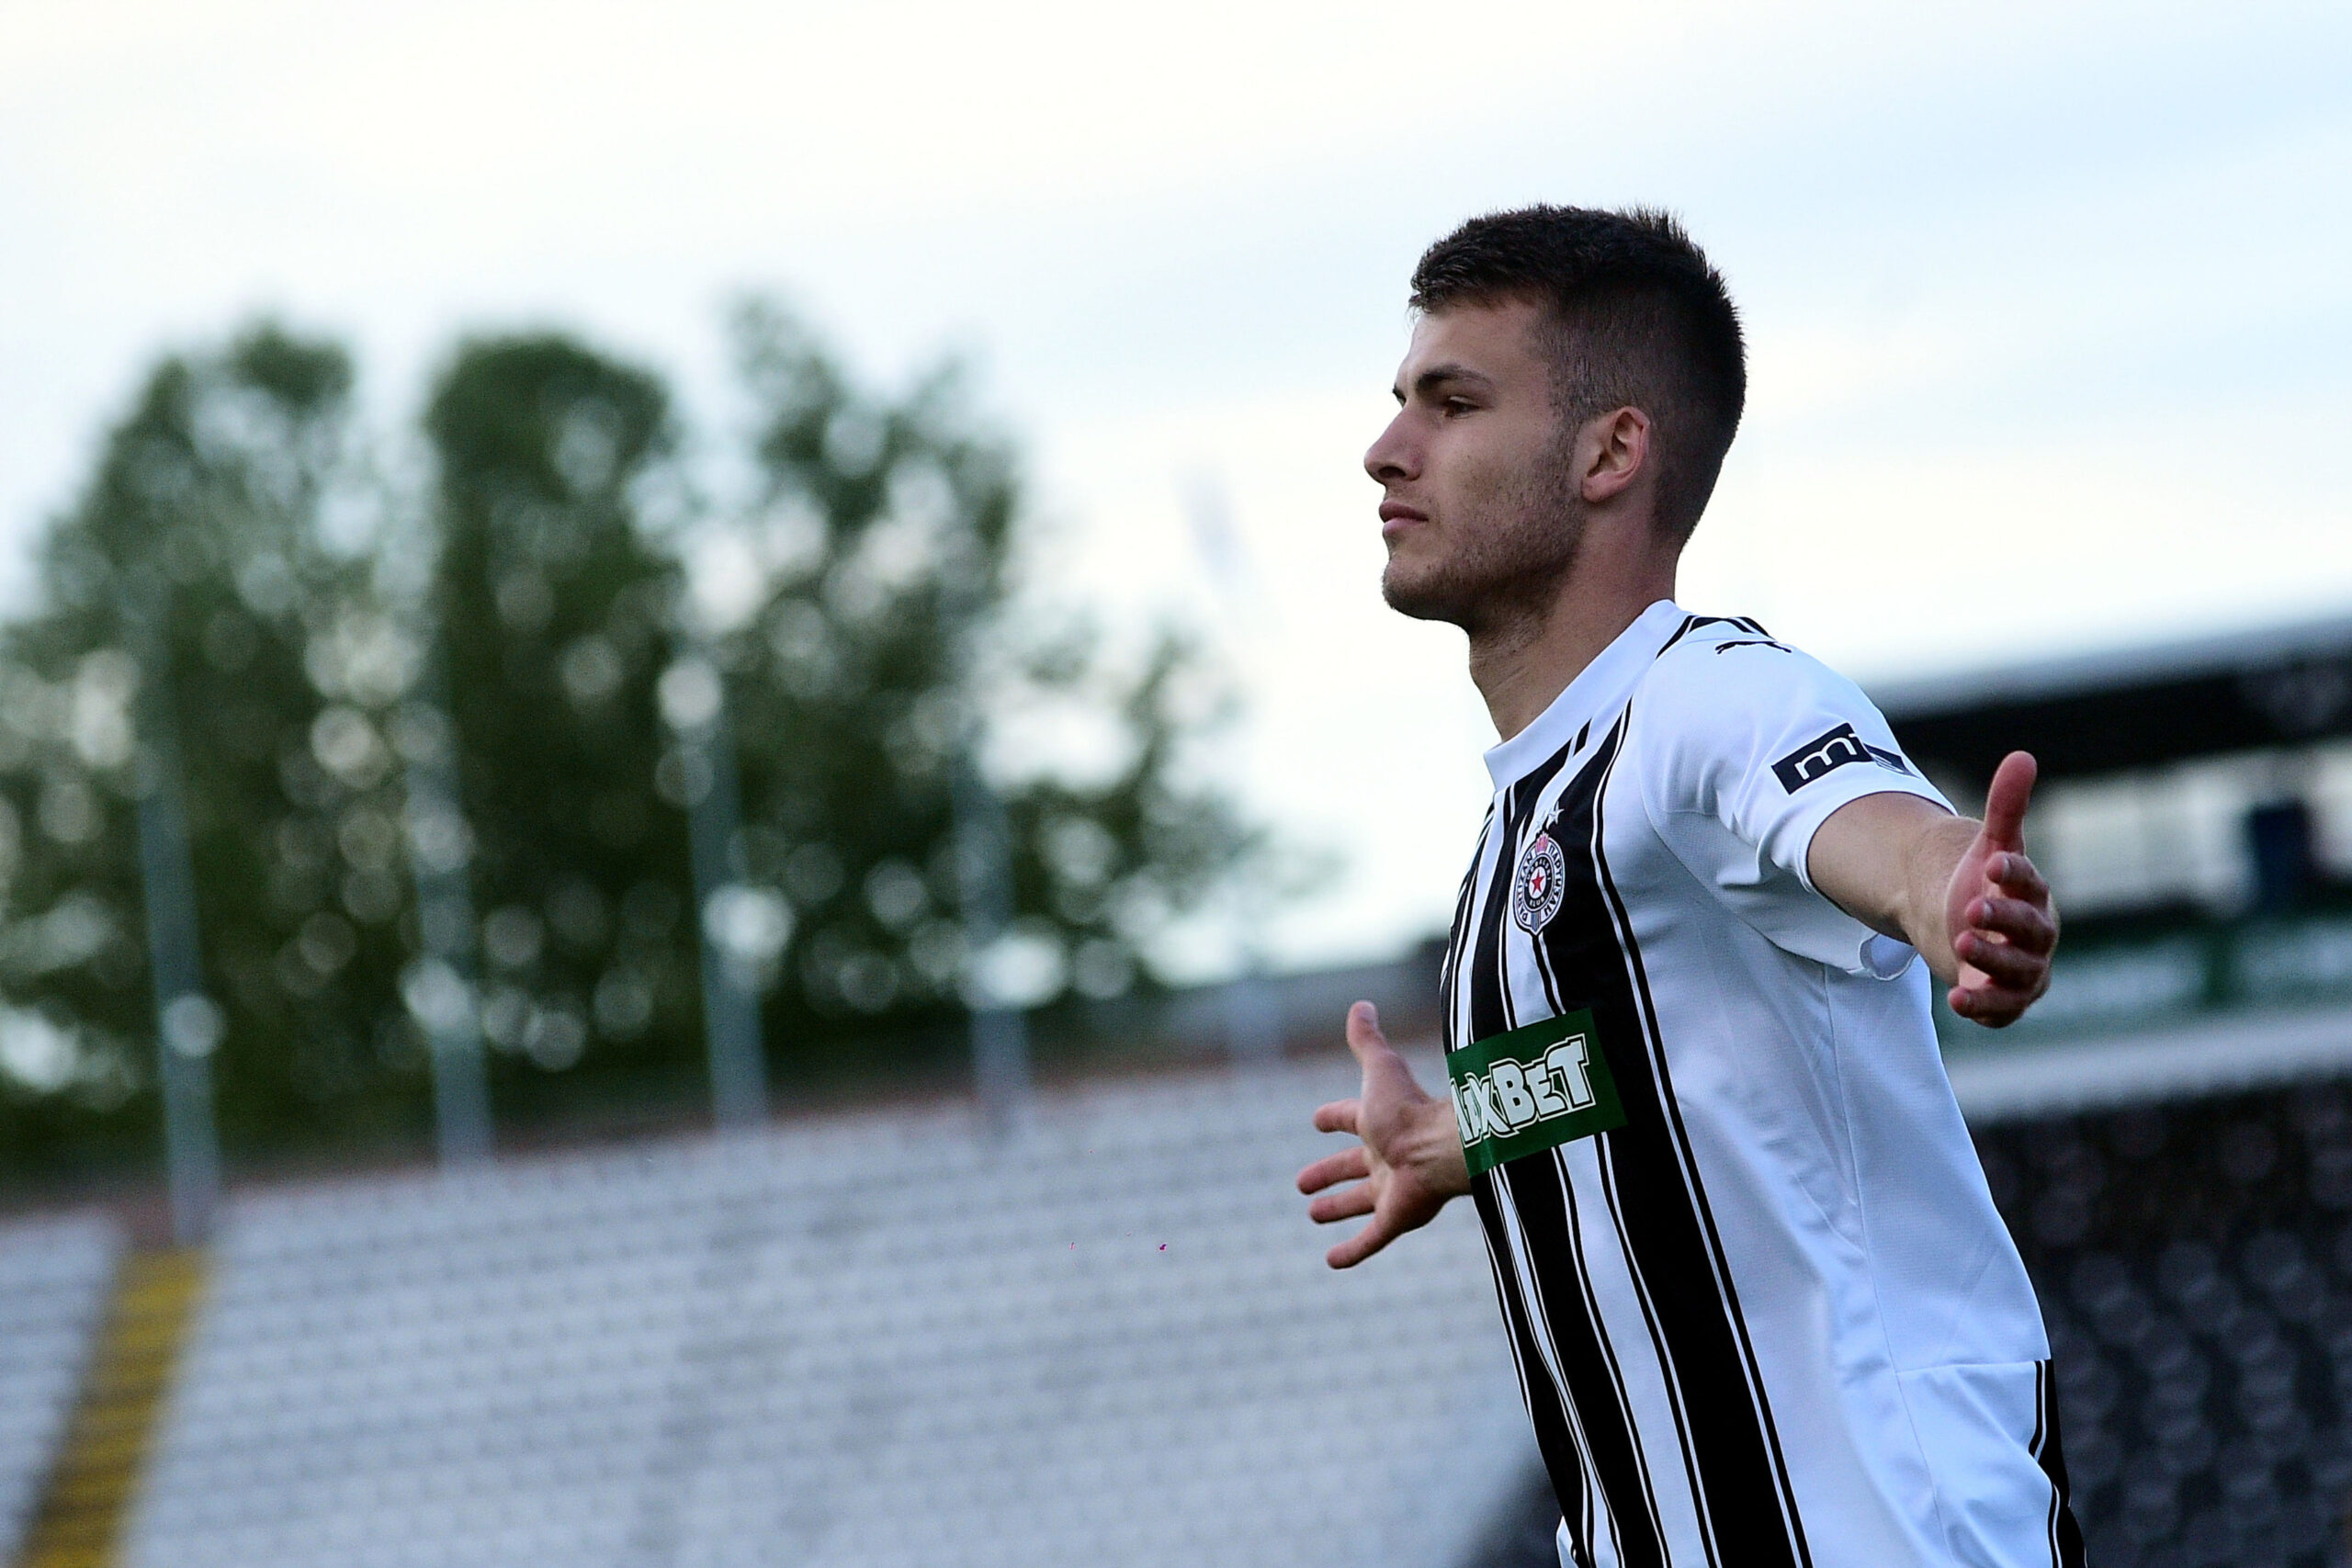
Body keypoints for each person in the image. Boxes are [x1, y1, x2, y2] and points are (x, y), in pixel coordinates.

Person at [1295, 206, 2080, 1568]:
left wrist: (1953, 892)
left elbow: (1892, 842)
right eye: (1401, 400)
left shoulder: (1709, 700)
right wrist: (1450, 1139)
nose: (1387, 448)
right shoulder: (1534, 816)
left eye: (1453, 403)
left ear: (1611, 452)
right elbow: (1640, 1064)